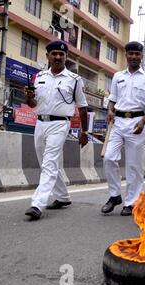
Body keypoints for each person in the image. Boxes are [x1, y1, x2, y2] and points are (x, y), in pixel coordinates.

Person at [24, 40, 89, 221]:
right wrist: (28, 97)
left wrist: (84, 133)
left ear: (66, 57)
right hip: (40, 123)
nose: (58, 57)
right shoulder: (40, 76)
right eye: (54, 54)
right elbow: (33, 105)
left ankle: (37, 204)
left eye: (62, 54)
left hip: (60, 124)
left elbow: (82, 108)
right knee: (47, 163)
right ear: (48, 56)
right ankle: (63, 197)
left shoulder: (74, 80)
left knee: (49, 163)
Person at [101, 41, 145, 216]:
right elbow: (113, 98)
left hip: (137, 123)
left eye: (137, 54)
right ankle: (114, 195)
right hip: (117, 123)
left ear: (142, 56)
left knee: (133, 166)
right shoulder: (118, 76)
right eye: (130, 53)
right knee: (109, 158)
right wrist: (110, 110)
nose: (133, 56)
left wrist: (143, 122)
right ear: (126, 55)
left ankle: (131, 202)